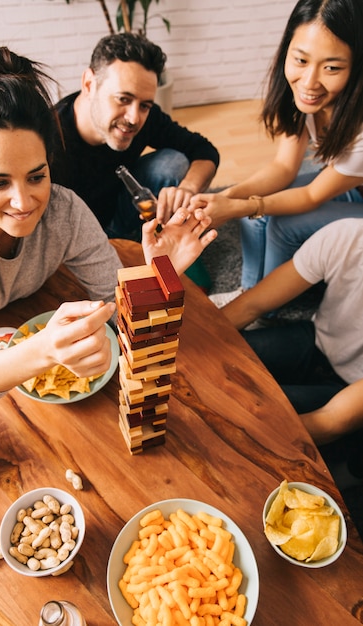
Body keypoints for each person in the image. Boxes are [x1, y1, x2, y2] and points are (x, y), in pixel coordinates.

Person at [0, 46, 216, 402]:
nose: (24, 203)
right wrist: (45, 351)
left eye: (36, 176)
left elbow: (119, 310)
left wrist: (160, 273)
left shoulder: (65, 211)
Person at [189, 0, 363, 306]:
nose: (309, 82)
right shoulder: (302, 97)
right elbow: (284, 167)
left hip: (347, 193)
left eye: (332, 67)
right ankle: (250, 292)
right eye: (301, 60)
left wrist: (238, 207)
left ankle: (266, 309)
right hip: (350, 188)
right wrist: (230, 197)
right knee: (254, 213)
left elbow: (311, 197)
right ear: (287, 51)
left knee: (282, 223)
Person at [50, 33, 220, 289]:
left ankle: (159, 234)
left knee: (173, 163)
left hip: (120, 209)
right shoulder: (50, 140)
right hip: (75, 236)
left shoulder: (142, 115)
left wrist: (186, 190)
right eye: (123, 99)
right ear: (89, 84)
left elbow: (205, 151)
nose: (133, 118)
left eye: (144, 105)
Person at [221, 218, 363, 447]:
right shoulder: (350, 234)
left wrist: (245, 436)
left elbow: (331, 421)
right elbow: (250, 305)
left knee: (249, 412)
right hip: (318, 340)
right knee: (214, 356)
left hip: (350, 392)